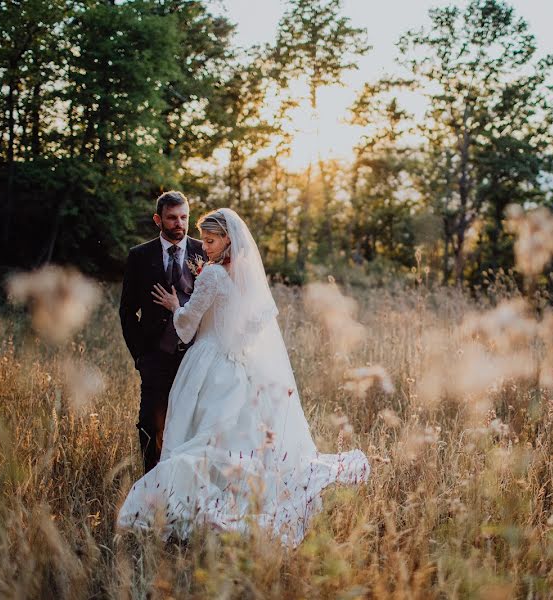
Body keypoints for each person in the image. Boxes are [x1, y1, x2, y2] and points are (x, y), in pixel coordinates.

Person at [116, 208, 370, 546]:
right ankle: (236, 496)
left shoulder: (212, 276)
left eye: (210, 240)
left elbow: (188, 325)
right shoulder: (244, 275)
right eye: (203, 239)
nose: (203, 246)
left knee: (202, 435)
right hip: (237, 366)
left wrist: (175, 305)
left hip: (206, 364)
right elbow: (255, 322)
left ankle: (194, 504)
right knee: (235, 438)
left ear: (227, 240)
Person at [118, 191, 206, 474]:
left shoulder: (204, 252)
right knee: (150, 423)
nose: (179, 223)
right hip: (155, 356)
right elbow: (127, 311)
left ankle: (187, 483)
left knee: (193, 423)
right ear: (158, 219)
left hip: (195, 355)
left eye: (184, 217)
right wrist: (140, 356)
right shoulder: (139, 256)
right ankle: (152, 486)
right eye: (172, 218)